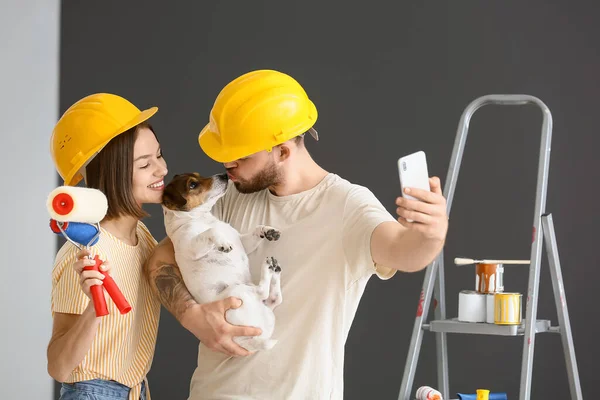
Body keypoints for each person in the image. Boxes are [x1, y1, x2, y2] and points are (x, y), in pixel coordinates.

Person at [144, 69, 449, 399]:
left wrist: (431, 234)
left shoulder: (347, 206)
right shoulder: (230, 196)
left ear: (283, 151)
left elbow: (405, 251)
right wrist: (193, 316)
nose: (227, 164)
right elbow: (160, 258)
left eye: (241, 155)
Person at [47, 93, 169, 400]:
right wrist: (93, 307)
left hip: (135, 391)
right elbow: (59, 367)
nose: (162, 169)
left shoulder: (142, 237)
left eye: (159, 155)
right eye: (145, 164)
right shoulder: (84, 252)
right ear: (113, 173)